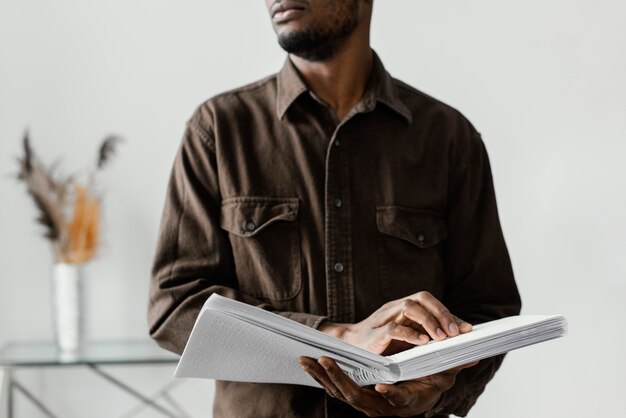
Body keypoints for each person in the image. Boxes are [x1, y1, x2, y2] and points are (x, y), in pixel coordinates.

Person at [148, 0, 522, 417]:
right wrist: (337, 337)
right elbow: (174, 305)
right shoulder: (218, 130)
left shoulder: (449, 138)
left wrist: (435, 395)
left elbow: (489, 310)